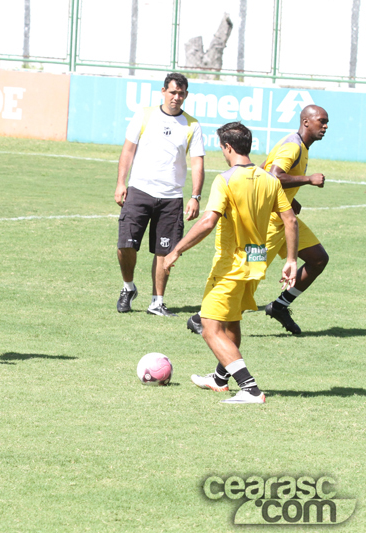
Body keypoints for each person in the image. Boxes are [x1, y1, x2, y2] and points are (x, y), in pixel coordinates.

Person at [164, 122, 298, 404]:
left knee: (210, 328)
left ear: (227, 147)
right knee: (232, 321)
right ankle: (219, 378)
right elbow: (290, 220)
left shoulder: (225, 179)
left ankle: (250, 389)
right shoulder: (269, 180)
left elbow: (208, 221)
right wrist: (291, 260)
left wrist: (177, 250)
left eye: (222, 148)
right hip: (256, 262)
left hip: (231, 265)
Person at [187, 105, 328, 335]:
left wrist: (287, 200)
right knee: (247, 282)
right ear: (306, 122)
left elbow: (262, 170)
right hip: (270, 224)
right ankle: (201, 317)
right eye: (321, 121)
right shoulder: (293, 146)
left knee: (318, 259)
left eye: (326, 122)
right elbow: (274, 175)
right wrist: (308, 179)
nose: (325, 126)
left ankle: (280, 306)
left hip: (285, 219)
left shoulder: (299, 145)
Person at [115, 72, 205, 316]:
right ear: (163, 91)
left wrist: (195, 196)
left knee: (164, 252)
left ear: (186, 95)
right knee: (126, 245)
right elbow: (128, 150)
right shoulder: (144, 115)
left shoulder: (192, 125)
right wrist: (121, 182)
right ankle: (128, 287)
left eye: (181, 94)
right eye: (173, 92)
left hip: (171, 198)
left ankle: (157, 302)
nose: (177, 97)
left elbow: (197, 163)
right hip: (139, 191)